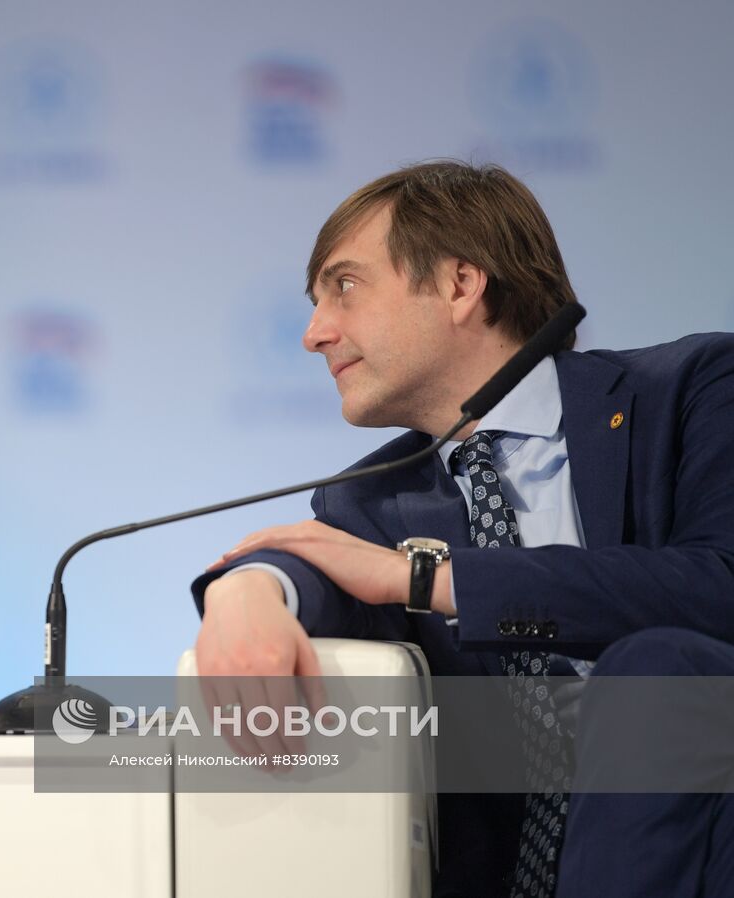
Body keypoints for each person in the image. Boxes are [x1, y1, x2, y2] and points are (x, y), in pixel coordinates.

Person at [190, 161, 734, 898]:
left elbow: (718, 585)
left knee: (656, 666)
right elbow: (318, 577)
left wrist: (429, 580)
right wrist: (249, 589)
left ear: (459, 285)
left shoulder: (695, 387)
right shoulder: (367, 503)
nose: (315, 334)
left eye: (343, 287)